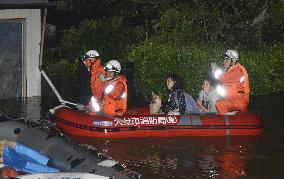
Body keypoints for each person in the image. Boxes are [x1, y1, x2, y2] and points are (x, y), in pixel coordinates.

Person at [214, 50, 250, 115]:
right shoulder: (231, 70)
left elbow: (226, 78)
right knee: (218, 102)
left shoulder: (238, 70)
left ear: (233, 61)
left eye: (227, 60)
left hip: (239, 102)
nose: (224, 62)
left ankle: (232, 114)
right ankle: (229, 114)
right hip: (233, 100)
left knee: (219, 104)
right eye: (224, 60)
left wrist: (215, 71)